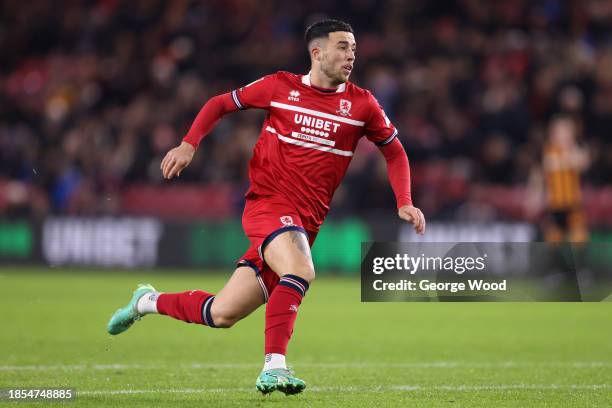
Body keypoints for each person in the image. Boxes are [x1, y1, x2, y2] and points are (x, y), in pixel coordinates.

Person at [107, 19, 425, 396]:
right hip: (268, 205)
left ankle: (146, 301)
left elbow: (395, 152)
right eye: (342, 46)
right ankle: (275, 366)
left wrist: (404, 201)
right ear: (317, 52)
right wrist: (189, 144)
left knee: (221, 313)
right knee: (301, 269)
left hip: (305, 223)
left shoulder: (362, 104)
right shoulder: (279, 87)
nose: (350, 54)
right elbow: (219, 104)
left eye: (354, 48)